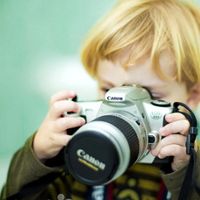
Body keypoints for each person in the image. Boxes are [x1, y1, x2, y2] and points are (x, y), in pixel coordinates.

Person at [1, 0, 200, 199]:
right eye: (108, 90)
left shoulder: (190, 160)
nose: (124, 108)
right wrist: (40, 155)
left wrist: (186, 170)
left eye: (148, 94)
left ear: (192, 97)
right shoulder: (82, 148)